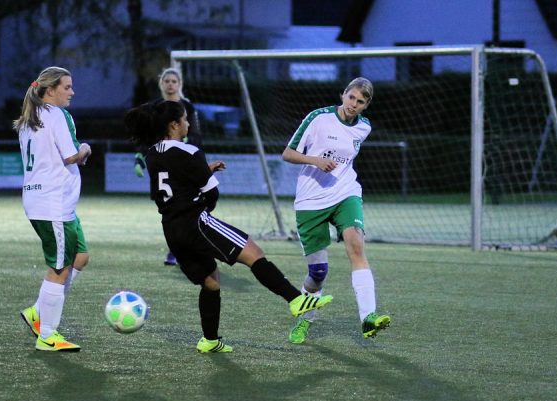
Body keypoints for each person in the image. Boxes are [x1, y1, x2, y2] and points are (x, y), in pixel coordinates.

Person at [124, 100, 332, 353]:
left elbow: (174, 179)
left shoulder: (152, 154)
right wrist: (205, 187)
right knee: (254, 253)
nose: (189, 123)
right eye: (186, 119)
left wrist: (202, 171)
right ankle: (296, 299)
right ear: (174, 124)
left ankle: (209, 340)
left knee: (211, 281)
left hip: (171, 230)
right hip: (196, 223)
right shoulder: (190, 152)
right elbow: (211, 195)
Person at [282, 77, 391, 344]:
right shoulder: (318, 118)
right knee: (318, 273)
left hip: (345, 193)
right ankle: (304, 321)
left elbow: (346, 160)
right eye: (351, 97)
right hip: (311, 201)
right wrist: (315, 160)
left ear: (366, 106)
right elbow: (287, 153)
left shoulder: (364, 128)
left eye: (361, 101)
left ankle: (369, 318)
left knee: (356, 246)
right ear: (343, 95)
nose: (354, 104)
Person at [13, 66, 92, 352]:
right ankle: (47, 335)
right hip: (53, 205)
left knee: (80, 257)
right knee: (59, 268)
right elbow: (72, 156)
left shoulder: (28, 119)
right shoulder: (57, 114)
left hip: (49, 203)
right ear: (50, 90)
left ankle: (37, 312)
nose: (72, 92)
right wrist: (86, 147)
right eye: (67, 87)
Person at [133, 67, 202, 266]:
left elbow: (197, 135)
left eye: (174, 81)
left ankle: (180, 251)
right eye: (167, 81)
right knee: (169, 209)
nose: (170, 84)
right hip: (162, 165)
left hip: (184, 165)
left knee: (187, 207)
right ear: (161, 84)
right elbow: (145, 134)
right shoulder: (155, 107)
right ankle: (177, 250)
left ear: (180, 84)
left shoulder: (188, 107)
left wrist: (189, 151)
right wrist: (139, 156)